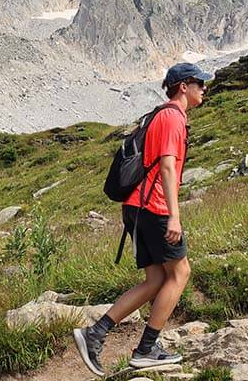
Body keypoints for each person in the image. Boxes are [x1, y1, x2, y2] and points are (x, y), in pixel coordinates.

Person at [73, 62, 211, 375]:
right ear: (183, 86)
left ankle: (95, 334)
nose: (204, 88)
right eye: (199, 83)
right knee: (180, 273)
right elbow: (166, 167)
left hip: (138, 207)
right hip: (155, 208)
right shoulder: (173, 117)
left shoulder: (161, 114)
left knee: (156, 280)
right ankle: (146, 349)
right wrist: (174, 217)